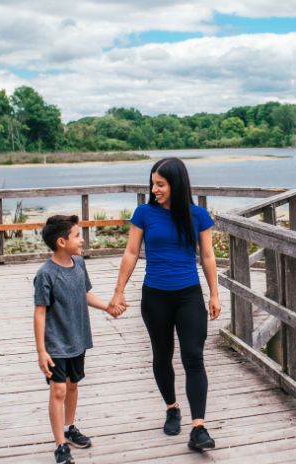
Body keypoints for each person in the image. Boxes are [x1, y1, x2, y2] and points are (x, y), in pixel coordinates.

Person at [108, 157, 221, 451]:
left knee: (193, 356)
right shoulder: (144, 213)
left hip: (189, 295)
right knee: (162, 354)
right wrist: (119, 291)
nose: (154, 189)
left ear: (176, 184)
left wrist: (215, 293)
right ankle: (172, 407)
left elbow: (207, 257)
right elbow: (131, 252)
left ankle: (198, 427)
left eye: (160, 184)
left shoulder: (198, 216)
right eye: (153, 184)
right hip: (155, 295)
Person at [33, 214, 118, 464]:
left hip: (77, 339)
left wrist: (108, 307)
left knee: (72, 386)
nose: (82, 240)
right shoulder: (45, 274)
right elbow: (39, 314)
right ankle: (60, 444)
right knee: (57, 390)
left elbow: (85, 294)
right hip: (55, 344)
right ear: (61, 241)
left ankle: (69, 428)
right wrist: (41, 351)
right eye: (77, 236)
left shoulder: (79, 264)